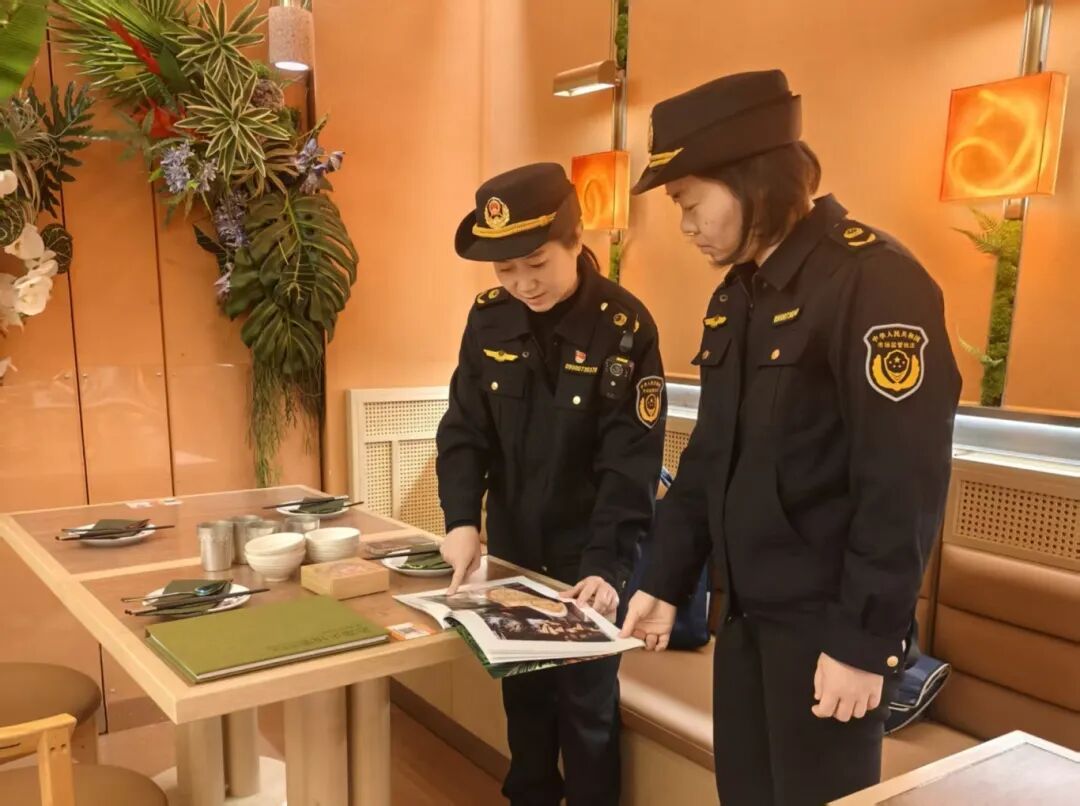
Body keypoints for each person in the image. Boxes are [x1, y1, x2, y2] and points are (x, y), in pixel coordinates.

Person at [619, 70, 962, 806]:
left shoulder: (873, 280)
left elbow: (902, 482)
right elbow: (710, 455)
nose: (685, 226)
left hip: (828, 628)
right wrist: (664, 580)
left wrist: (864, 643)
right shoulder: (739, 293)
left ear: (753, 179)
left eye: (689, 202)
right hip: (745, 617)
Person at [437, 162, 666, 806]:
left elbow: (631, 462)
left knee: (588, 711)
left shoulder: (624, 327)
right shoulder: (489, 319)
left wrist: (607, 567)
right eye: (505, 271)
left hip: (588, 554)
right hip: (515, 547)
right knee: (526, 702)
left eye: (536, 262)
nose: (522, 283)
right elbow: (464, 431)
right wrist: (461, 521)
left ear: (575, 238)